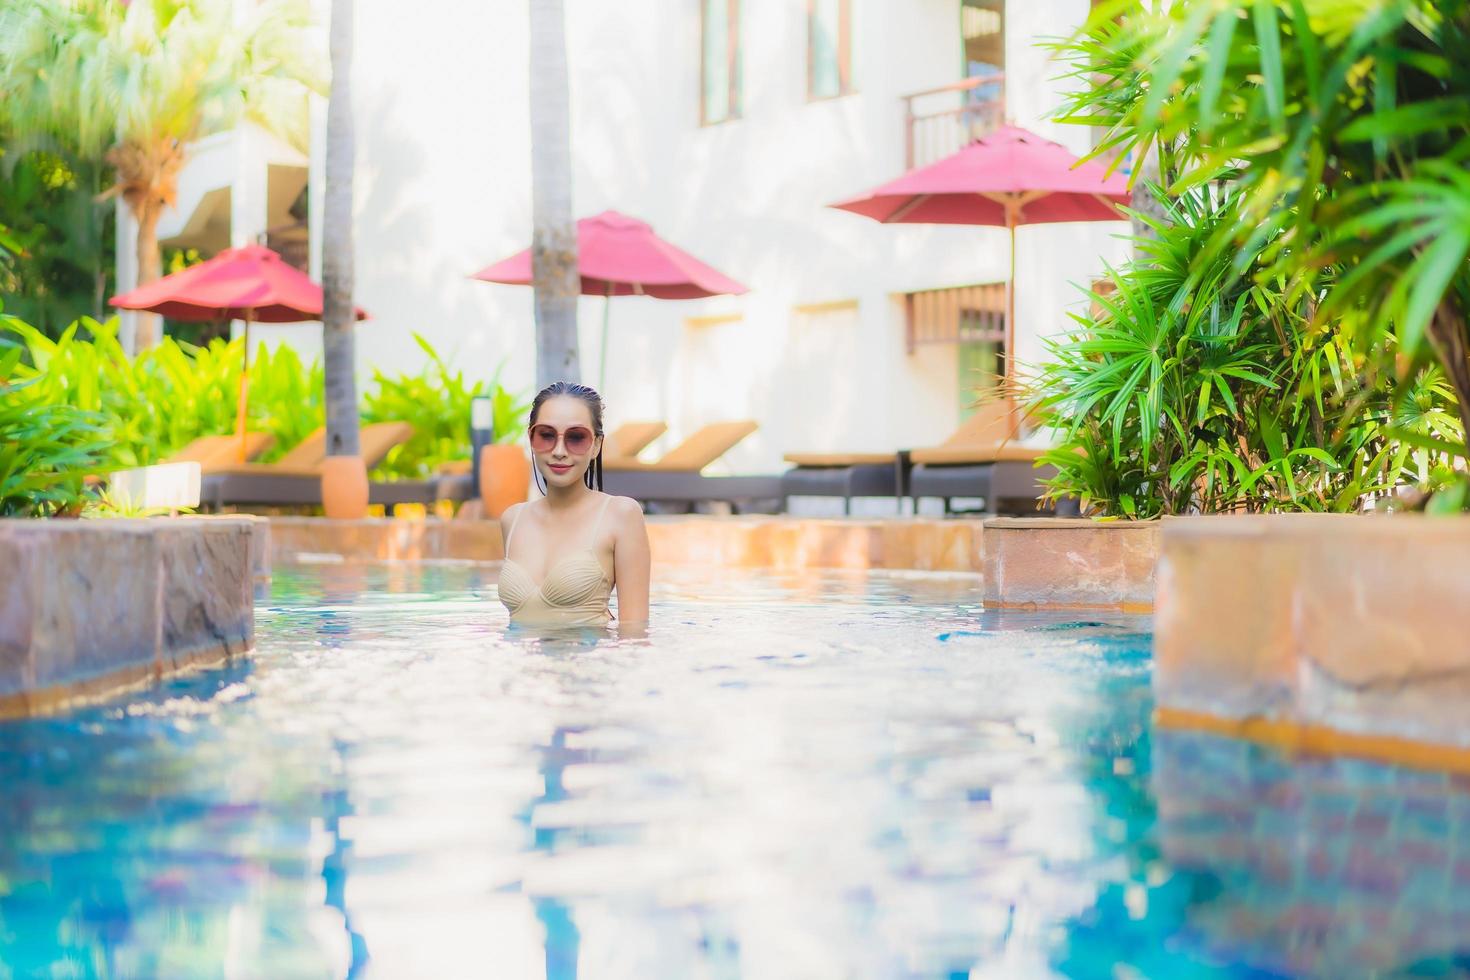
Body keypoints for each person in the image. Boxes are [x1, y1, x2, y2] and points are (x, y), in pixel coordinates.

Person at [499, 382, 650, 629]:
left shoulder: (621, 515)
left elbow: (635, 634)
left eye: (576, 438)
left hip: (588, 666)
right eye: (546, 435)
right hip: (520, 666)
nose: (559, 451)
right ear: (530, 438)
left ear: (597, 445)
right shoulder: (513, 520)